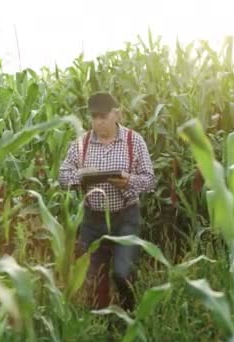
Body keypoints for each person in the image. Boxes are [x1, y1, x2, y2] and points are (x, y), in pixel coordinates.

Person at [59, 91, 156, 311]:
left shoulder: (134, 141)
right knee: (94, 280)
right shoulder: (81, 144)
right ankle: (103, 324)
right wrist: (82, 177)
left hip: (126, 218)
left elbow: (150, 180)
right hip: (92, 221)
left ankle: (128, 316)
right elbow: (63, 177)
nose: (98, 122)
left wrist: (128, 181)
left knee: (123, 274)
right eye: (94, 117)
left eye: (103, 116)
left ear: (117, 114)